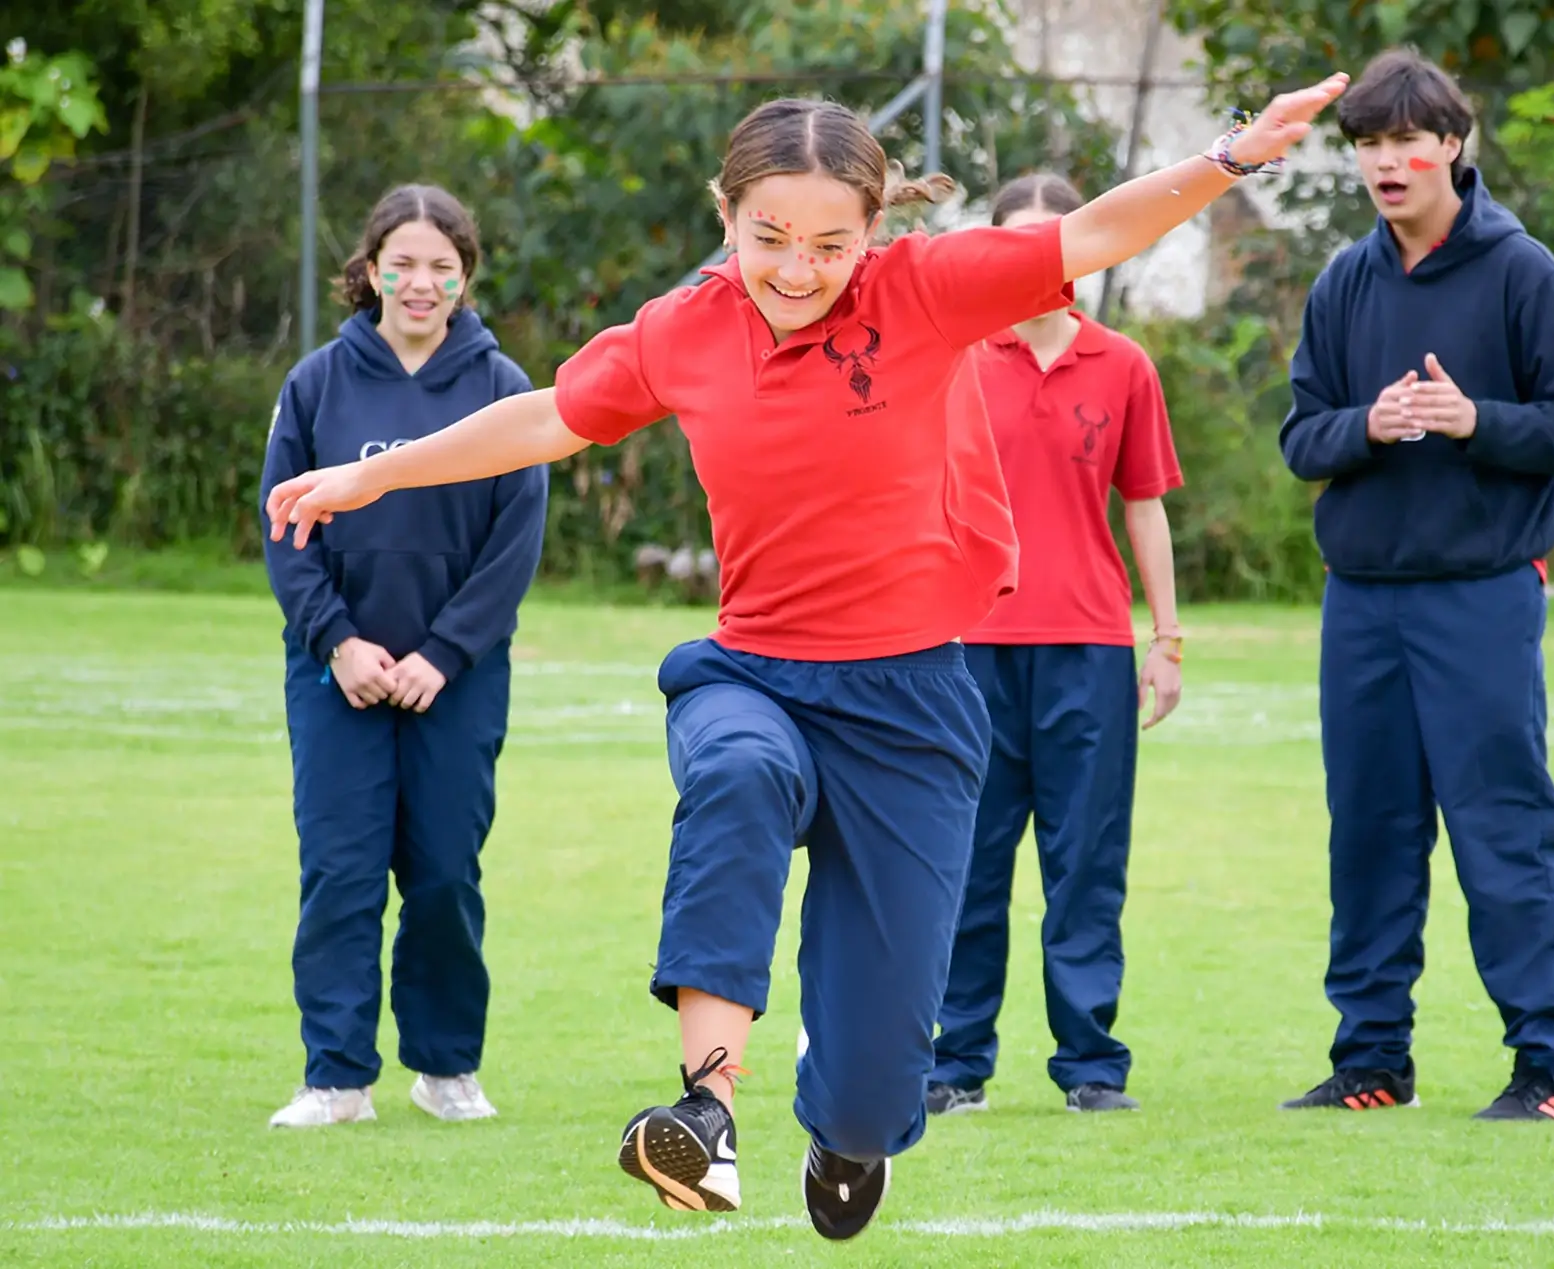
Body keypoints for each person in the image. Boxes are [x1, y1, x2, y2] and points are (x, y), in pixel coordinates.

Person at [265, 76, 1346, 1238]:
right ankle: (706, 1112)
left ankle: (849, 1135)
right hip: (755, 674)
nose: (795, 267)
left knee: (879, 1089)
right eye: (768, 236)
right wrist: (374, 472)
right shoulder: (684, 329)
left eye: (831, 242)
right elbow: (543, 420)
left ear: (873, 231)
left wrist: (1229, 158)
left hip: (912, 698)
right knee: (733, 778)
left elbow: (1091, 231)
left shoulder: (926, 289)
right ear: (723, 215)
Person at [1276, 49, 1554, 1121]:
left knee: (1501, 826)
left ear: (1452, 147)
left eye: (1403, 142)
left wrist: (1479, 421)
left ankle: (1546, 1068)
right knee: (1367, 830)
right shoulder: (1343, 281)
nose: (1385, 161)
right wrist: (1365, 428)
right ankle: (1373, 1061)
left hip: (1480, 596)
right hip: (1362, 603)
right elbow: (1300, 437)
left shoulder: (1526, 274)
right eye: (1367, 144)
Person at [260, 184, 547, 1129]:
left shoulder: (503, 390)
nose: (421, 283)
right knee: (340, 872)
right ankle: (336, 1078)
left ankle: (446, 1067)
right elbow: (284, 528)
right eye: (404, 263)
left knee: (442, 873)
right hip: (335, 677)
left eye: (442, 266)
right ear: (371, 266)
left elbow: (516, 540)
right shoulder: (316, 384)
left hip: (452, 684)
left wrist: (444, 652)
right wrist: (338, 641)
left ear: (465, 277)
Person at [924, 172, 1184, 1119]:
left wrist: (1167, 639)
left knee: (1086, 862)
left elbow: (1145, 508)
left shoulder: (1123, 367)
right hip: (970, 652)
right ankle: (955, 1063)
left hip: (1087, 652)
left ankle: (1090, 1063)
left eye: (1056, 237)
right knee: (970, 862)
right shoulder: (952, 360)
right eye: (1017, 240)